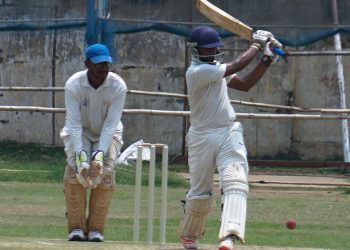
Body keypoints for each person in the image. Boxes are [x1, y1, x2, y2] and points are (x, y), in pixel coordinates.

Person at [178, 26, 282, 250]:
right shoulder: (196, 72)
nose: (215, 50)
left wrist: (266, 58)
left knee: (236, 180)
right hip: (201, 136)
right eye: (209, 48)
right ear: (196, 50)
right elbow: (236, 65)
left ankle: (230, 236)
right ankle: (190, 234)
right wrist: (256, 44)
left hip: (227, 130)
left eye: (216, 46)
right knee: (200, 192)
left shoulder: (216, 68)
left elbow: (244, 85)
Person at [60, 43, 127, 242]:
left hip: (109, 132)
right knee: (75, 175)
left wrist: (99, 154)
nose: (104, 68)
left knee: (104, 176)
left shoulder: (118, 86)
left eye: (107, 63)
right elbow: (73, 124)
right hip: (78, 132)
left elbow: (111, 124)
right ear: (87, 64)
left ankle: (96, 229)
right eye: (99, 64)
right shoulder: (74, 84)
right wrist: (82, 156)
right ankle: (77, 229)